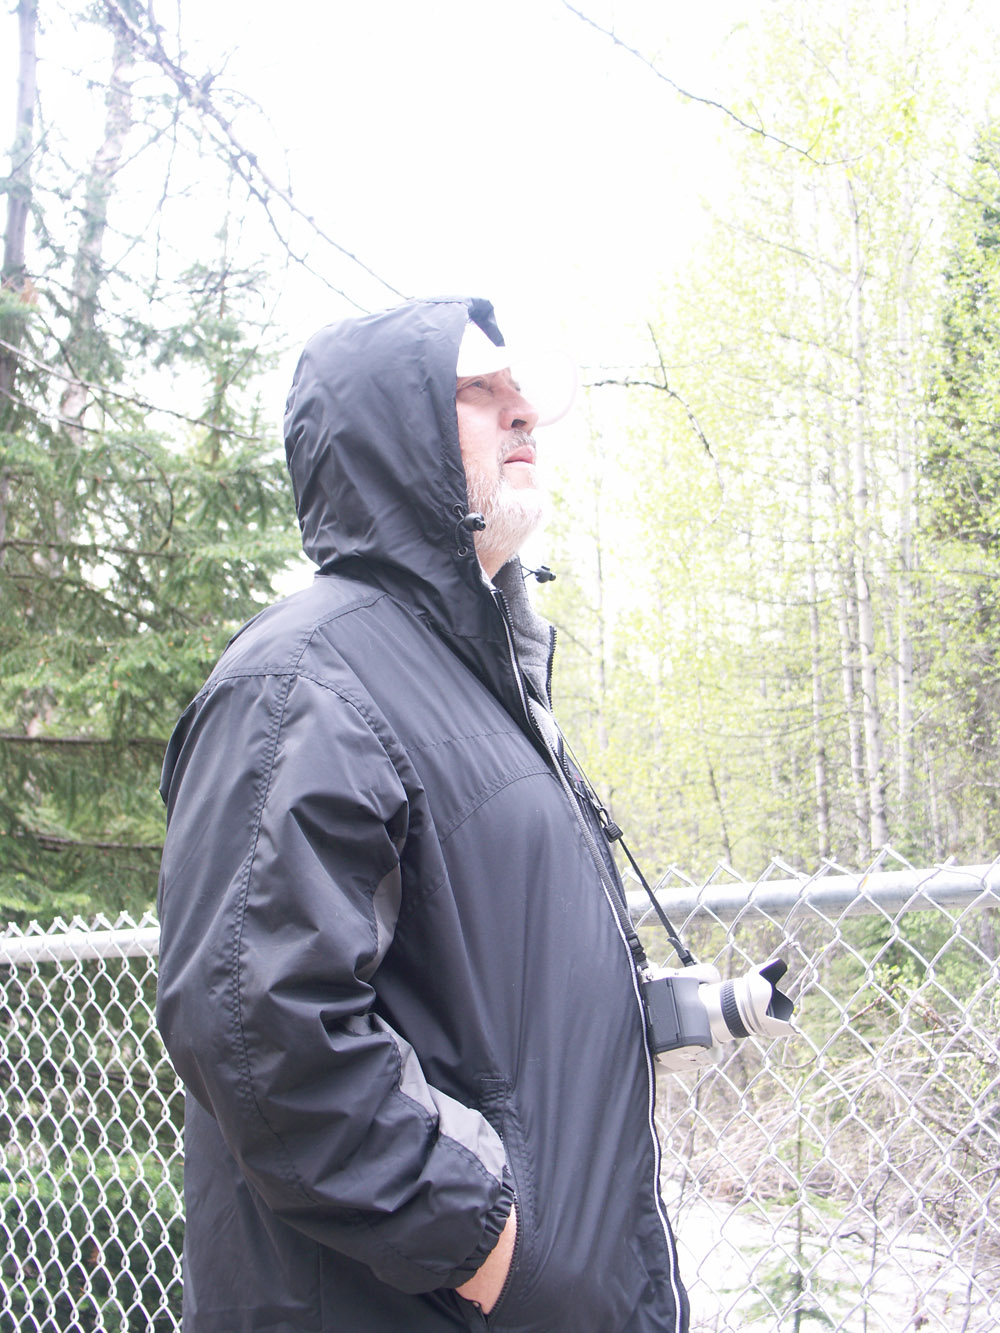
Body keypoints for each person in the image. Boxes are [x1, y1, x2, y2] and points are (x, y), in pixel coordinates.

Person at [155, 295, 689, 1332]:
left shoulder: (485, 690)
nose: (521, 411)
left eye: (521, 392)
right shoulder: (303, 679)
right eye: (479, 391)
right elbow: (259, 1029)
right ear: (391, 437)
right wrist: (486, 1245)